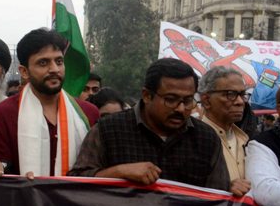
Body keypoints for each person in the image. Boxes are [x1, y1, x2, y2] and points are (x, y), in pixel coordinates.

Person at [68, 58, 230, 192]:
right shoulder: (108, 130)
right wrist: (118, 172)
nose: (181, 108)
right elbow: (74, 184)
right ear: (147, 96)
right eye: (171, 99)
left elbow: (219, 198)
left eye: (187, 101)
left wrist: (233, 190)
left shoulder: (206, 138)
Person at [0, 28, 99, 177]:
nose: (54, 69)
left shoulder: (87, 113)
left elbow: (96, 167)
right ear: (24, 71)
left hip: (76, 192)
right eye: (43, 63)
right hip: (25, 192)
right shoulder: (3, 114)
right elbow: (3, 166)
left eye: (59, 61)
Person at [197, 66, 251, 196]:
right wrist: (224, 186)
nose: (240, 102)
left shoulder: (247, 140)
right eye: (230, 94)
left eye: (243, 95)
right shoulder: (192, 140)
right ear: (206, 100)